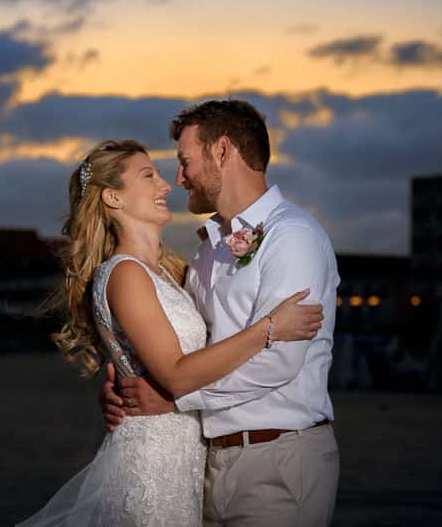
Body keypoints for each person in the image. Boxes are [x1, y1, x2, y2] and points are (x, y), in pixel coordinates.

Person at [19, 139, 323, 526]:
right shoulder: (125, 273)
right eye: (149, 176)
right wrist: (270, 328)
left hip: (188, 459)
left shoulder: (172, 273)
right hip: (153, 459)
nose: (166, 186)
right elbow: (177, 373)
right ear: (113, 198)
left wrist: (125, 387)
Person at [102, 100, 341, 526]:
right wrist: (127, 386)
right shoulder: (209, 250)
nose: (178, 178)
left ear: (223, 151)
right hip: (207, 462)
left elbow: (280, 362)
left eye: (185, 161)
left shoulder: (293, 237)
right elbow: (191, 347)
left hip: (278, 458)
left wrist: (173, 400)